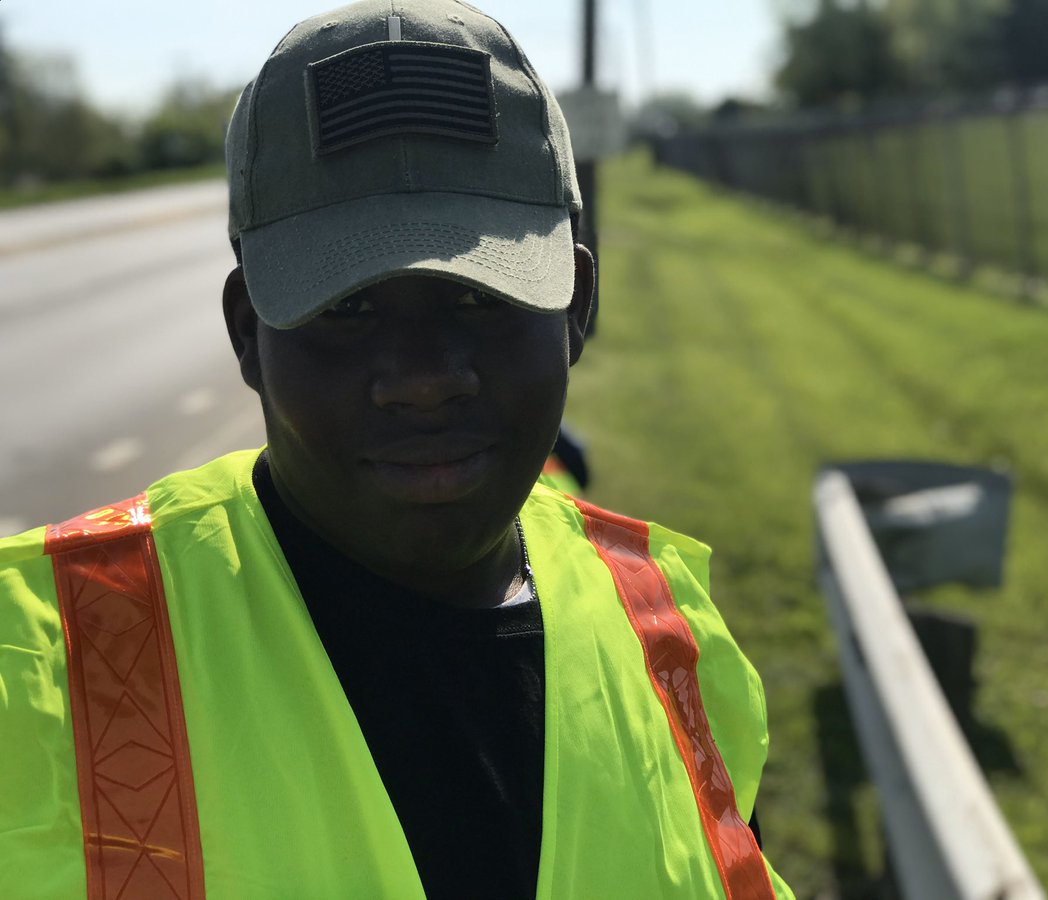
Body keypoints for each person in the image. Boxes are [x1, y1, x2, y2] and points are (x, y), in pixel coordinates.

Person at [0, 1, 793, 897]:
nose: (422, 377)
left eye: (481, 298)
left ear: (577, 306)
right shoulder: (38, 661)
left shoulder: (674, 642)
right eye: (348, 307)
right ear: (247, 336)